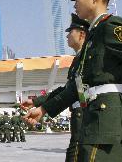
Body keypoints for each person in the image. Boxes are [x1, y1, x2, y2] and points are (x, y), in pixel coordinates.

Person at [24, 0, 122, 161]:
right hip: (99, 121)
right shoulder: (93, 37)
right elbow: (77, 87)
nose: (75, 3)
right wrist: (44, 109)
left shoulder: (110, 27)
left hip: (108, 122)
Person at [22, 13, 89, 161]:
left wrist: (43, 108)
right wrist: (36, 102)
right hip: (80, 117)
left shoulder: (87, 56)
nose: (67, 36)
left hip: (86, 116)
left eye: (70, 32)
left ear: (82, 34)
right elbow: (67, 89)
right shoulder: (78, 58)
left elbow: (75, 91)